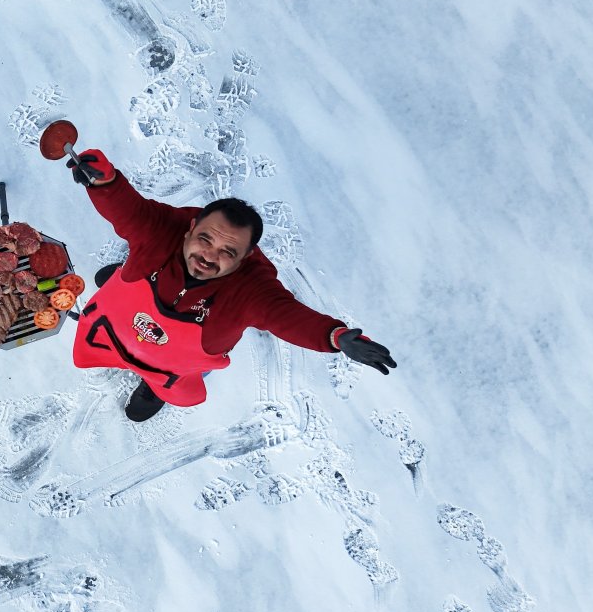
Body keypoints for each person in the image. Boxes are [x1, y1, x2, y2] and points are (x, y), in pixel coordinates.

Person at [66, 149, 396, 421]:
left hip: (174, 362)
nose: (209, 257)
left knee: (167, 375)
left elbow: (288, 316)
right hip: (118, 325)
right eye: (205, 240)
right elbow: (129, 210)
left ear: (245, 257)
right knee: (123, 293)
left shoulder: (250, 290)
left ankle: (153, 389)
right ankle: (122, 280)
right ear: (190, 228)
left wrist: (334, 336)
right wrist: (105, 182)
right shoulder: (160, 231)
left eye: (228, 252)